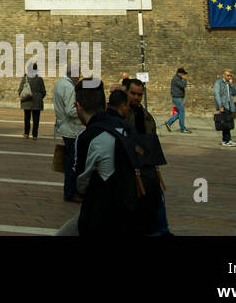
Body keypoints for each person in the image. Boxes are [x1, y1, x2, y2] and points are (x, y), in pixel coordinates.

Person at [74, 83, 140, 237]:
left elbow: (81, 183)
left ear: (78, 106)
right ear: (104, 106)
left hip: (102, 216)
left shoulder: (88, 137)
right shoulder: (127, 129)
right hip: (133, 210)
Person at [124, 77, 170, 235]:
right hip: (130, 169)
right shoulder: (121, 115)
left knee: (157, 200)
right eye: (133, 93)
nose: (136, 97)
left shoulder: (146, 116)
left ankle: (161, 230)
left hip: (147, 168)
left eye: (139, 94)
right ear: (126, 92)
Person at [53, 65, 83, 202]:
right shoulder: (70, 87)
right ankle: (70, 192)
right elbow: (71, 111)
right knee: (73, 163)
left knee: (70, 161)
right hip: (71, 129)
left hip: (64, 127)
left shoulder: (60, 84)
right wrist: (85, 112)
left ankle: (69, 191)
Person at [19, 61, 46, 139]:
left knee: (27, 118)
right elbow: (43, 91)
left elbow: (20, 90)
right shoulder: (40, 79)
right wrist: (40, 97)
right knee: (36, 119)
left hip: (27, 101)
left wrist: (23, 97)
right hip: (37, 102)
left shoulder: (25, 78)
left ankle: (26, 133)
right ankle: (35, 135)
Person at [213, 69, 236, 146]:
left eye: (230, 75)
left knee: (228, 123)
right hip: (224, 105)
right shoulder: (218, 83)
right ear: (223, 75)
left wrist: (231, 85)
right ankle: (226, 140)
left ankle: (228, 140)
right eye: (228, 75)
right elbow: (217, 94)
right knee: (225, 123)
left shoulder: (229, 84)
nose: (229, 77)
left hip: (230, 105)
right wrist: (220, 106)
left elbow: (234, 93)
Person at [163, 67, 190, 132]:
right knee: (182, 113)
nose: (184, 75)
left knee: (180, 113)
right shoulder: (176, 79)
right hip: (177, 98)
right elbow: (183, 86)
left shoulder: (178, 78)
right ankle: (182, 128)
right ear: (179, 73)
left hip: (178, 97)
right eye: (183, 74)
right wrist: (185, 80)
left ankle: (169, 123)